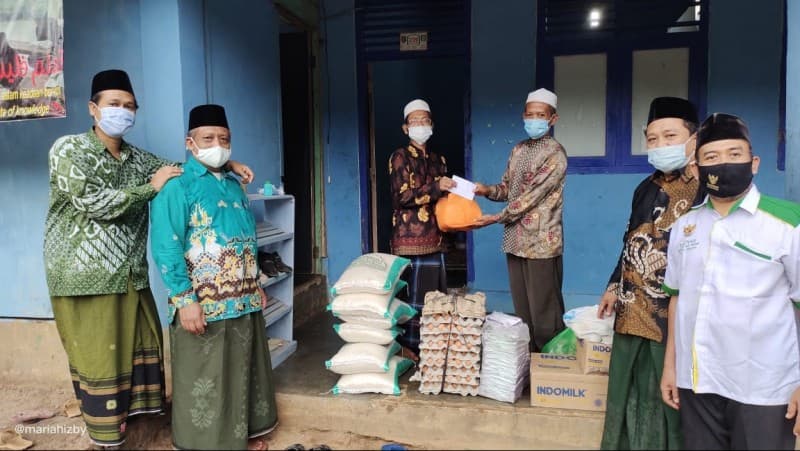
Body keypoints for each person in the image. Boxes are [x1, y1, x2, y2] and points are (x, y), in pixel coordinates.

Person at [43, 69, 254, 448]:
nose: (121, 111)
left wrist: (227, 165)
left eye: (128, 106)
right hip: (82, 274)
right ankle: (104, 438)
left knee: (142, 354)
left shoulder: (137, 158)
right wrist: (148, 189)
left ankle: (134, 436)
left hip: (128, 273)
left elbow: (183, 164)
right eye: (113, 104)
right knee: (100, 360)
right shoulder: (68, 149)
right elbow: (93, 203)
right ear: (93, 108)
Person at [661, 113, 800, 450]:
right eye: (711, 157)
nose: (723, 163)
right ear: (695, 170)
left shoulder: (787, 223)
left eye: (734, 155)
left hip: (764, 386)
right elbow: (678, 299)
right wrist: (671, 367)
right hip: (699, 381)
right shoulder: (685, 226)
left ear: (753, 163)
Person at [150, 104, 277, 451]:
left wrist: (255, 285)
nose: (217, 144)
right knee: (206, 377)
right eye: (208, 138)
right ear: (190, 143)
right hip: (203, 303)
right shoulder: (178, 188)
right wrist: (185, 299)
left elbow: (246, 237)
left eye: (224, 138)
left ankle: (238, 440)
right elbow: (166, 247)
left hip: (243, 298)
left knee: (240, 372)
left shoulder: (235, 186)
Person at [597, 97, 700, 450]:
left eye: (670, 136)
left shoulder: (704, 190)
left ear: (694, 139)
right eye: (652, 139)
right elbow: (630, 242)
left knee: (669, 394)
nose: (660, 146)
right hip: (630, 306)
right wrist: (613, 285)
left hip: (669, 315)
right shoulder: (645, 188)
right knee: (626, 392)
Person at [473, 88, 567, 351]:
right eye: (530, 114)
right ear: (523, 116)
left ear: (552, 119)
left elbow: (531, 198)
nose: (534, 119)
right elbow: (508, 189)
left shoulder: (555, 153)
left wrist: (495, 218)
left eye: (541, 115)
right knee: (524, 311)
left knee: (545, 312)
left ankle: (553, 367)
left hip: (541, 243)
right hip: (515, 240)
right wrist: (485, 190)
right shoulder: (518, 150)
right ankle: (531, 368)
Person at [389, 99, 455, 360]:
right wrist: (438, 187)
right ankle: (407, 347)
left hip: (436, 237)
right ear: (406, 128)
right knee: (409, 300)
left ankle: (431, 346)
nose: (420, 125)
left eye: (424, 120)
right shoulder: (399, 157)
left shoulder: (440, 160)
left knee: (433, 298)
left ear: (432, 125)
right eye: (414, 121)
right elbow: (401, 198)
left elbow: (445, 200)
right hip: (408, 238)